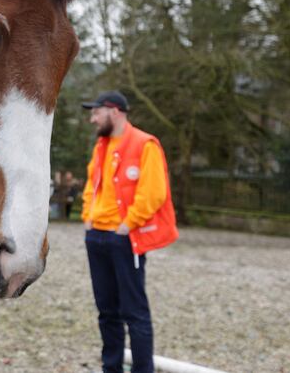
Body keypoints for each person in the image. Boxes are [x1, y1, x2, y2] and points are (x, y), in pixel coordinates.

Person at [80, 90, 179, 373]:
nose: (92, 119)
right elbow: (92, 184)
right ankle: (111, 368)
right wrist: (88, 217)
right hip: (96, 236)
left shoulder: (145, 144)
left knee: (134, 312)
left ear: (114, 111)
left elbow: (154, 192)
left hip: (123, 238)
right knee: (106, 312)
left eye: (96, 112)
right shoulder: (102, 145)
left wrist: (127, 224)